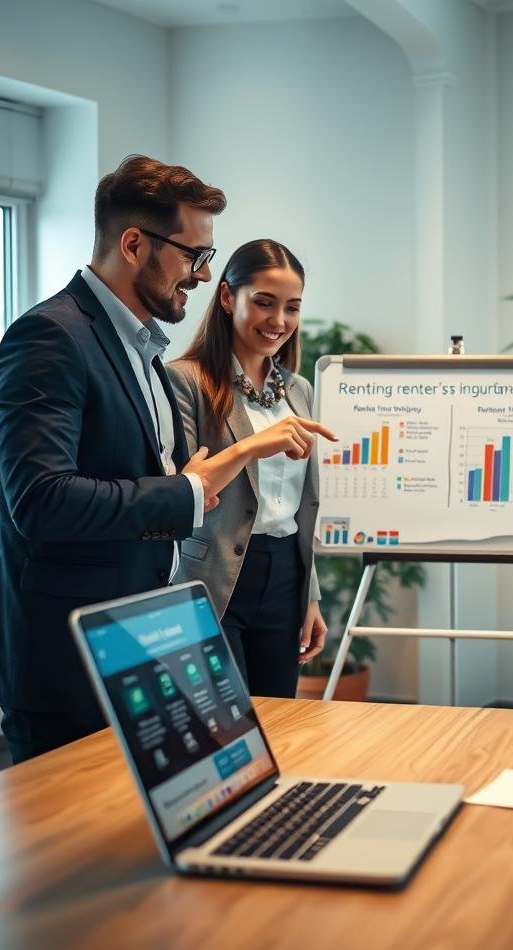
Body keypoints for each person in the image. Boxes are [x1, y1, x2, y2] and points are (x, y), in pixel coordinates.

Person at [0, 156, 312, 763]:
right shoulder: (49, 337)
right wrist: (184, 492)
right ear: (133, 244)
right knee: (60, 850)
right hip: (63, 655)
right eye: (193, 257)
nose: (203, 277)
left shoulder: (144, 351)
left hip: (136, 643)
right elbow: (41, 501)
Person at [167, 240, 336, 697]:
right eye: (263, 303)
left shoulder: (298, 390)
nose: (278, 322)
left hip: (285, 574)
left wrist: (311, 594)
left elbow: (298, 509)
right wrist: (251, 447)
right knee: (225, 724)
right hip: (212, 575)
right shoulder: (185, 380)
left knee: (282, 722)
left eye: (292, 308)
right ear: (227, 297)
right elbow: (180, 491)